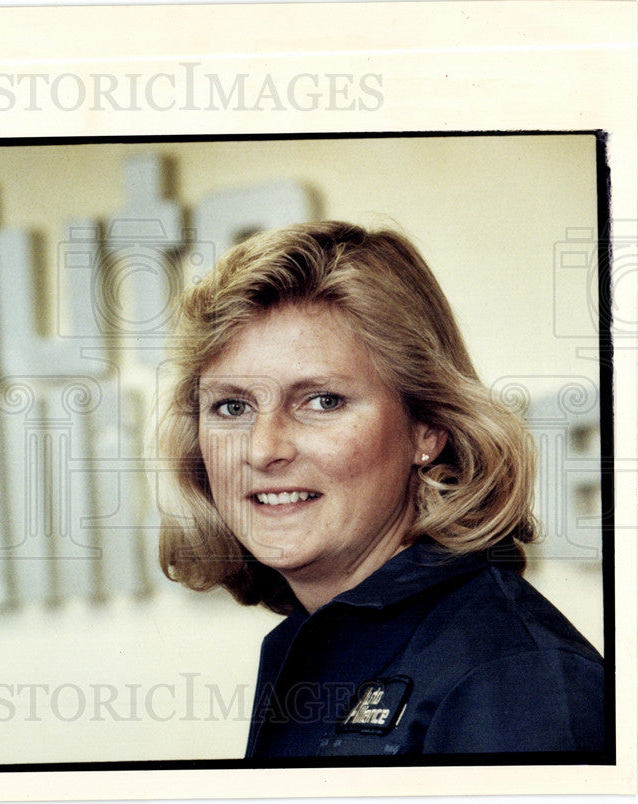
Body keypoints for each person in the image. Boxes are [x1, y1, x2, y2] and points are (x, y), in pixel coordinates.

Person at [155, 221, 605, 757]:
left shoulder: (513, 676)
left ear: (428, 427)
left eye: (322, 400)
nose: (262, 449)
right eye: (232, 406)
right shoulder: (312, 643)